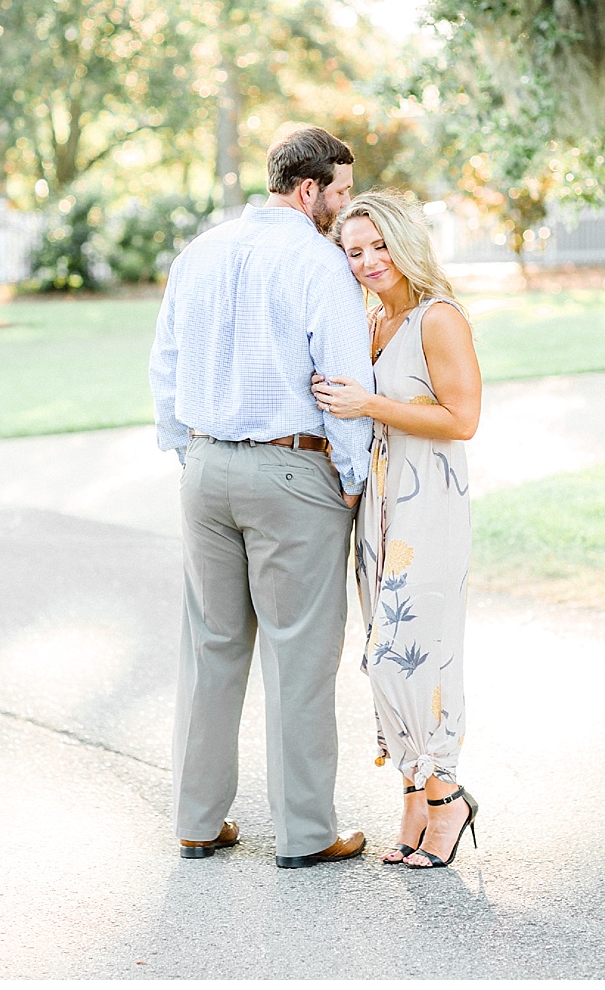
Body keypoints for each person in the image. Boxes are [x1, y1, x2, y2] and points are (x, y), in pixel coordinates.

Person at [150, 126, 374, 868]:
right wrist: (350, 478)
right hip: (293, 472)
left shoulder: (200, 254)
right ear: (307, 190)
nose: (346, 209)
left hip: (205, 471)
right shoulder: (319, 263)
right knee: (300, 657)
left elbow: (166, 367)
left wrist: (189, 454)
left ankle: (196, 821)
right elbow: (345, 384)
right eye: (340, 193)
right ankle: (308, 836)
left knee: (210, 649)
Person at [312, 191, 483, 870]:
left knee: (416, 651)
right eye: (354, 252)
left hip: (429, 508)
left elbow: (462, 419)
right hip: (378, 512)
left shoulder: (437, 319)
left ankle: (447, 796)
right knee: (381, 653)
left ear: (405, 242)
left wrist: (370, 403)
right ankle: (413, 792)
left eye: (379, 245)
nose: (368, 261)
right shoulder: (372, 320)